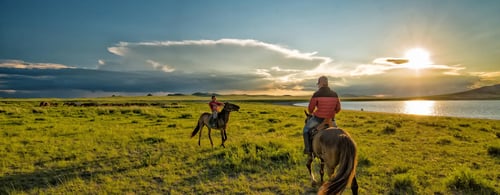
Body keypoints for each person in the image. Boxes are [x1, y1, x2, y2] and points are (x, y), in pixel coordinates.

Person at [303, 76, 341, 154]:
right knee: (339, 134)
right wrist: (330, 113)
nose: (318, 86)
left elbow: (310, 109)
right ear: (327, 83)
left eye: (318, 84)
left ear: (320, 83)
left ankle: (308, 150)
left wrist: (315, 112)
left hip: (318, 119)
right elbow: (338, 109)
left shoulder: (316, 94)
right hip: (331, 120)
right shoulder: (335, 94)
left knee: (306, 130)